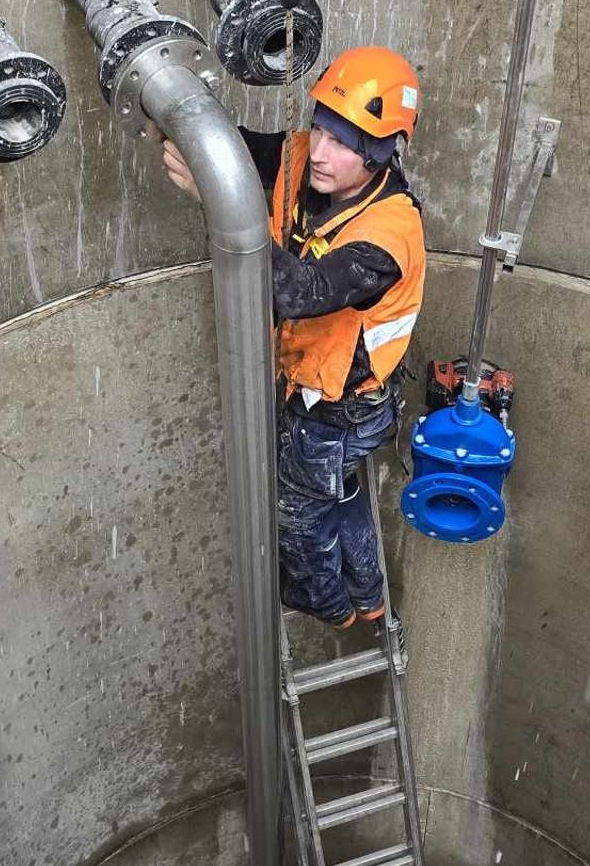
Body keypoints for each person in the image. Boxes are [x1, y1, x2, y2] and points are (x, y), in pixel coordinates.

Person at [161, 46, 425, 629]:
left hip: (339, 411)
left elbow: (299, 293)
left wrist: (220, 200)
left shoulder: (386, 239)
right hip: (336, 397)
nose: (321, 152)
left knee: (298, 514)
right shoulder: (304, 156)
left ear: (381, 153)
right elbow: (237, 148)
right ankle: (368, 593)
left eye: (344, 143)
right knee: (341, 493)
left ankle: (325, 603)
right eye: (320, 129)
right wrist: (174, 114)